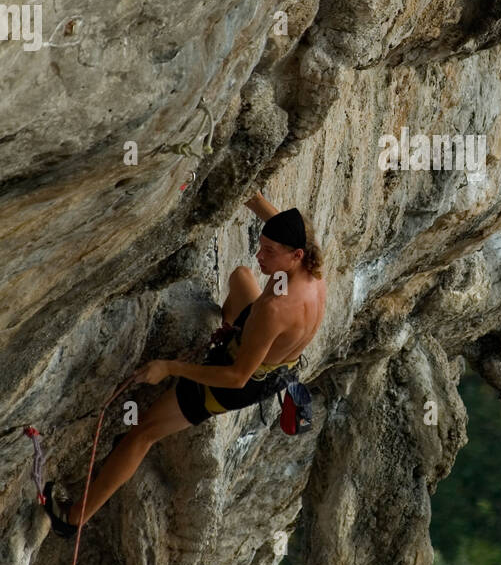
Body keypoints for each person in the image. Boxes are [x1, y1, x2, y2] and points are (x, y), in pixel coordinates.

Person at [43, 195, 326, 538]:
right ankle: (231, 327)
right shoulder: (309, 265)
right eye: (261, 245)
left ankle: (73, 518)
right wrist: (248, 196)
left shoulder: (276, 310)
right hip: (269, 353)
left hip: (238, 379)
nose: (259, 255)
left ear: (295, 255)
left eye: (269, 252)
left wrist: (169, 368)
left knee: (143, 433)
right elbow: (277, 220)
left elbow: (236, 378)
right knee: (241, 277)